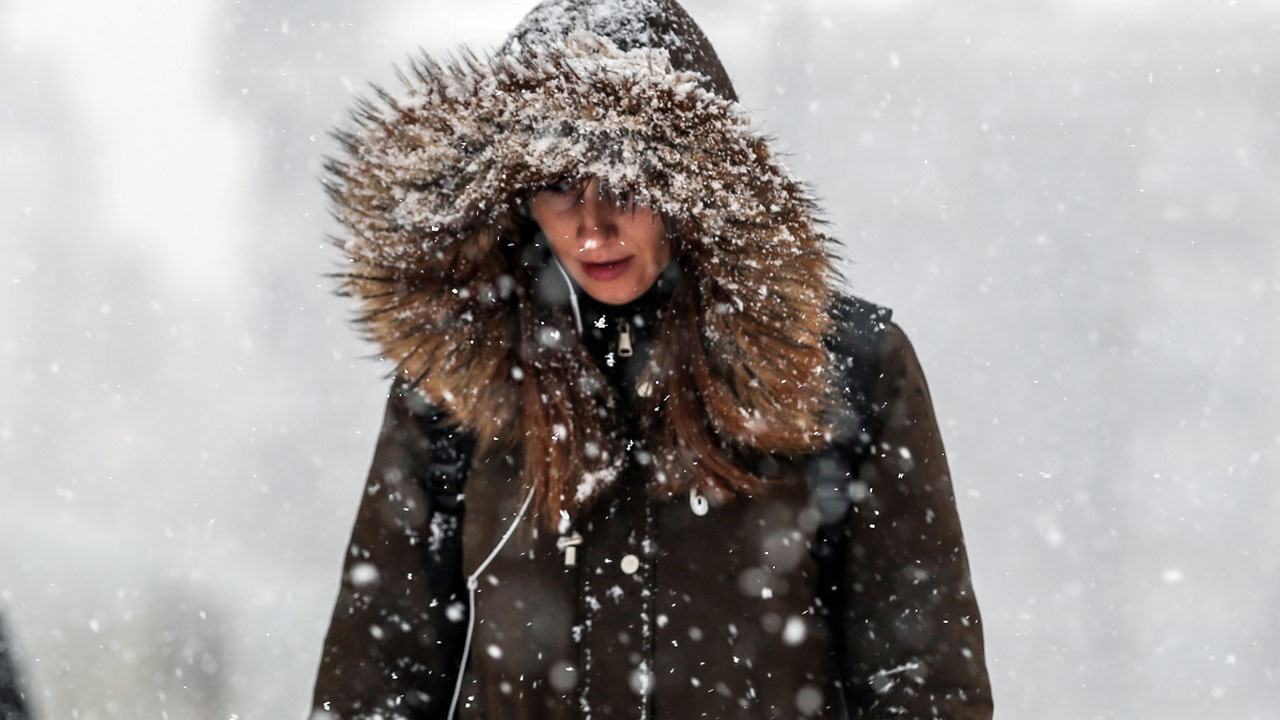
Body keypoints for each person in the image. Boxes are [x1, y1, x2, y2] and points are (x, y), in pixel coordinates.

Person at [310, 1, 993, 718]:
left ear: (696, 184)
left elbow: (924, 681)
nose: (592, 225)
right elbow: (376, 680)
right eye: (557, 186)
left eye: (626, 185)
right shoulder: (458, 384)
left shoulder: (840, 370)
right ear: (512, 193)